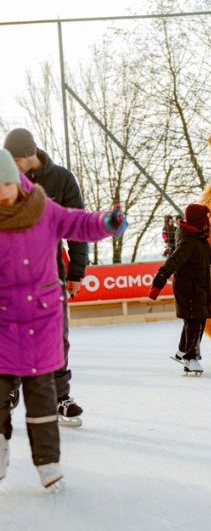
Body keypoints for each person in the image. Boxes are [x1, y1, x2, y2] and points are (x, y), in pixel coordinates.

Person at [0, 148, 127, 488]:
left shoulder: (43, 209)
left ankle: (48, 464)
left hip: (41, 321)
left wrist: (106, 222)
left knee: (42, 400)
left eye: (5, 185)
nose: (2, 194)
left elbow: (78, 222)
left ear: (18, 181)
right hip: (3, 325)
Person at [4, 128, 87, 423]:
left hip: (49, 275)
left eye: (15, 160)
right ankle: (11, 390)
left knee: (56, 335)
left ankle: (60, 396)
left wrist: (77, 271)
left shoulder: (61, 179)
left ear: (30, 155)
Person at [149, 203, 211, 374]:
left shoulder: (199, 239)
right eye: (206, 220)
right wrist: (158, 283)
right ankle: (190, 358)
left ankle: (182, 351)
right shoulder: (187, 241)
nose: (208, 224)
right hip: (189, 289)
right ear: (198, 221)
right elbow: (173, 261)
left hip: (199, 288)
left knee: (196, 320)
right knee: (195, 321)